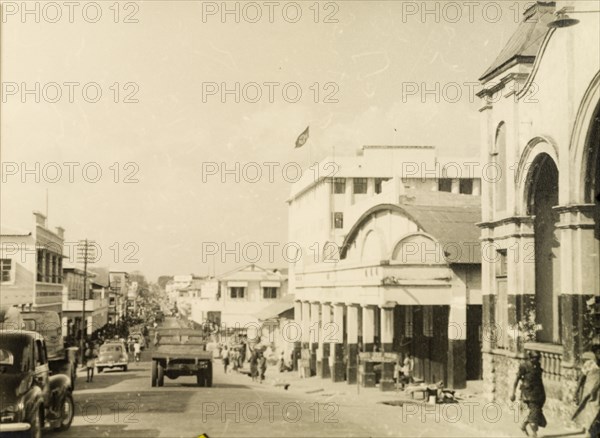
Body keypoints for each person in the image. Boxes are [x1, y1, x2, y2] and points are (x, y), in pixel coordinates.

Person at [510, 351, 547, 437]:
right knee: (534, 413)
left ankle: (523, 426)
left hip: (538, 393)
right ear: (530, 358)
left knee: (536, 412)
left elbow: (539, 380)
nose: (536, 360)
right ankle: (534, 434)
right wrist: (513, 393)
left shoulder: (537, 366)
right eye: (535, 358)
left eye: (538, 358)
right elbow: (517, 379)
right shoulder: (524, 366)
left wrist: (543, 394)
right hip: (528, 393)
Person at [572, 345, 600, 438]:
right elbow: (581, 379)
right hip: (589, 396)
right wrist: (576, 392)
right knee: (590, 416)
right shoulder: (589, 364)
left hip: (599, 396)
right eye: (598, 353)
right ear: (595, 354)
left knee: (596, 416)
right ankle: (590, 434)